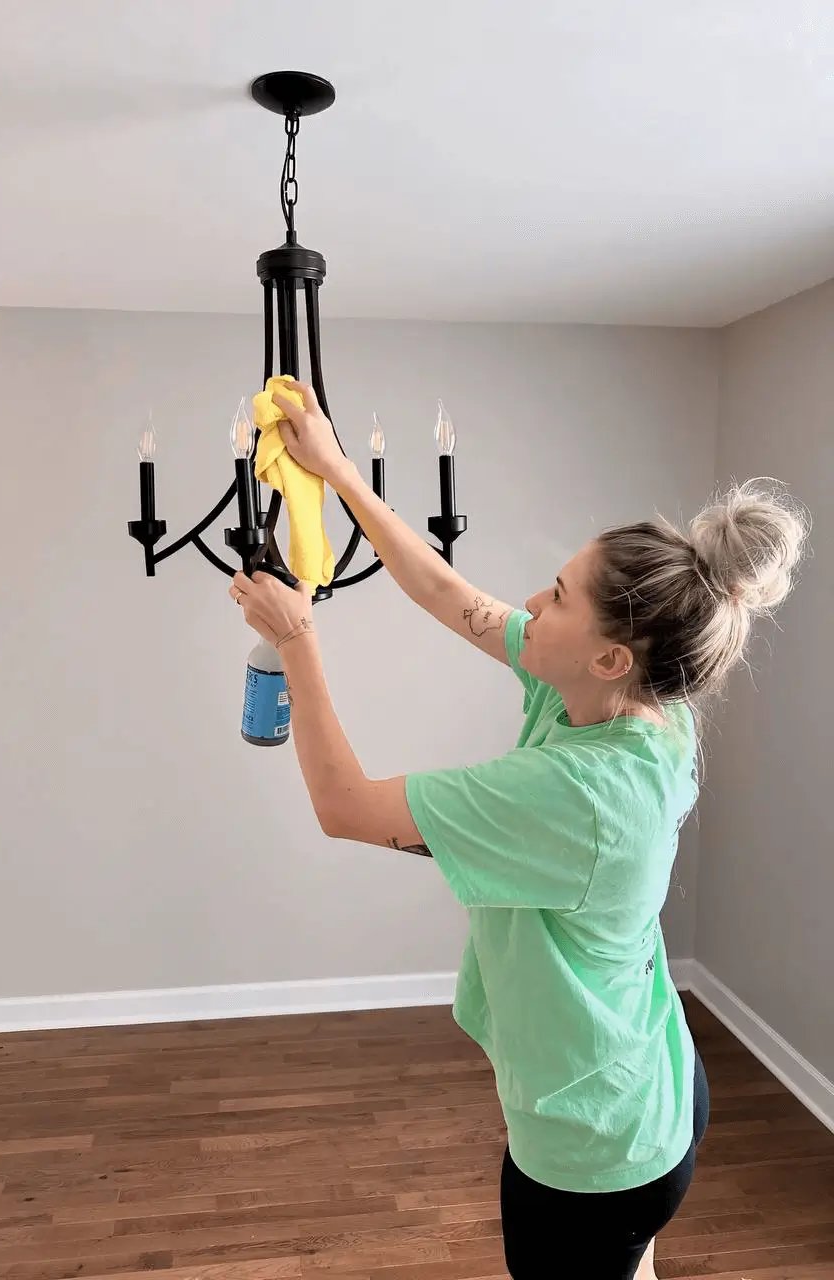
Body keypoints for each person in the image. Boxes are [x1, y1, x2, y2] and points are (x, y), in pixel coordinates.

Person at [227, 380, 809, 1280]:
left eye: (562, 594)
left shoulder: (574, 795)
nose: (533, 600)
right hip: (649, 1083)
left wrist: (297, 644)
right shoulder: (629, 701)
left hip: (595, 1153)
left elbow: (343, 806)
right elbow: (443, 589)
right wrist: (336, 470)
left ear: (612, 654)